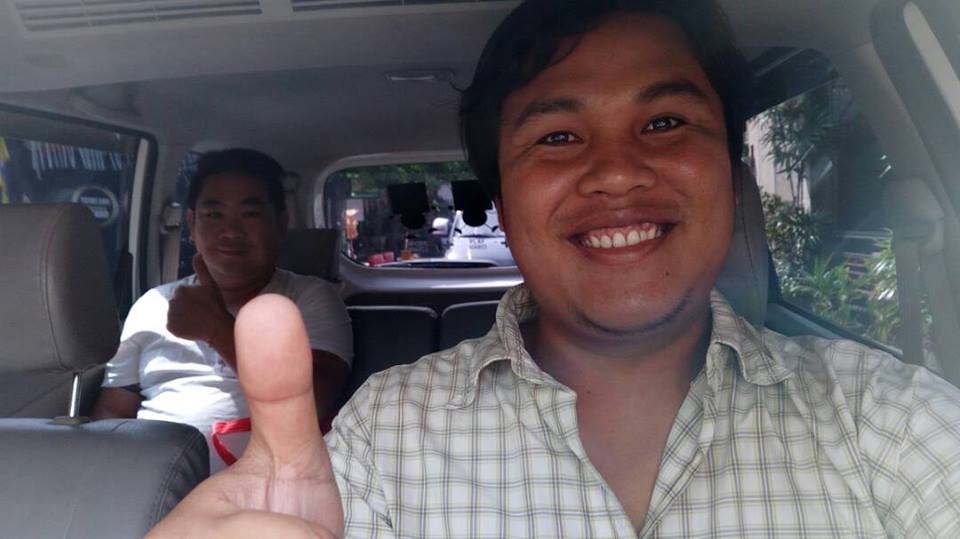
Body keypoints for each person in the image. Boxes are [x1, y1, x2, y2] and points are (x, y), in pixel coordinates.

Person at [149, 1, 960, 537]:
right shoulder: (389, 433)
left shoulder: (890, 421)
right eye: (558, 138)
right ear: (503, 203)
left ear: (730, 170)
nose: (617, 171)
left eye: (665, 121)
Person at [91, 148, 353, 473]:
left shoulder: (309, 298)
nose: (231, 231)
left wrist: (217, 329)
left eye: (250, 214)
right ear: (191, 224)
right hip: (148, 481)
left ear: (280, 224)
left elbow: (314, 403)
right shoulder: (152, 304)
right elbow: (114, 411)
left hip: (265, 484)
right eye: (214, 215)